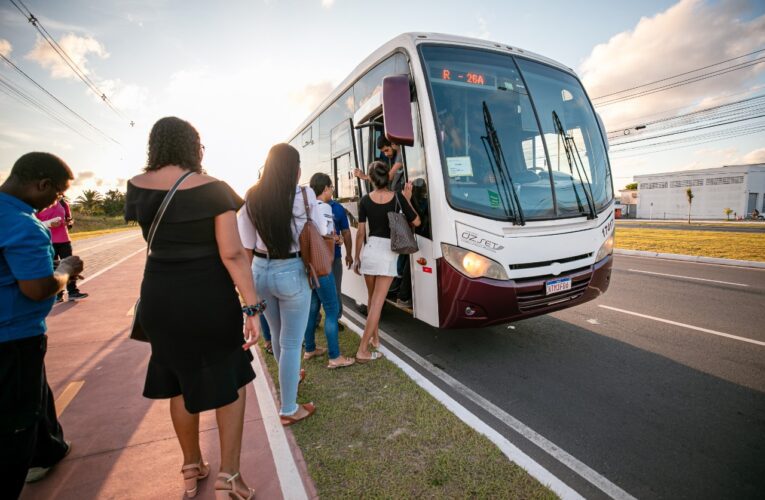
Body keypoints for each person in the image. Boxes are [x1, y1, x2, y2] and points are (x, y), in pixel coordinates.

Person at [125, 117, 260, 499]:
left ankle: (191, 466)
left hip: (159, 296)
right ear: (193, 146)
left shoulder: (136, 186)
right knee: (229, 379)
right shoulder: (214, 189)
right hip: (207, 298)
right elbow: (232, 253)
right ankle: (229, 476)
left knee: (177, 379)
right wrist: (253, 308)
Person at [0, 152, 84, 499]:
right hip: (13, 336)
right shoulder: (24, 224)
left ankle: (48, 448)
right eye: (58, 193)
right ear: (42, 184)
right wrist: (66, 269)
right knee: (16, 418)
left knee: (37, 391)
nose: (58, 201)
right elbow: (36, 288)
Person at [238, 143, 327, 425]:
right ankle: (288, 408)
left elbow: (246, 245)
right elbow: (322, 230)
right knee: (291, 343)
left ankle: (290, 377)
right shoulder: (304, 194)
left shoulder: (252, 196)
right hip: (291, 270)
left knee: (277, 334)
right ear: (295, 168)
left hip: (260, 271)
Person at [353, 161, 420, 362]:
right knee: (377, 305)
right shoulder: (398, 197)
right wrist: (406, 200)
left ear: (371, 179)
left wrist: (357, 257)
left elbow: (361, 233)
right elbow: (416, 221)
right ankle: (362, 350)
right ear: (385, 177)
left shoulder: (364, 200)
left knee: (372, 299)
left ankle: (375, 339)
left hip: (370, 250)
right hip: (388, 253)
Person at [302, 173, 355, 369]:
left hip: (308, 264)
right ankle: (335, 356)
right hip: (322, 263)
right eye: (331, 187)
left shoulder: (304, 207)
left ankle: (309, 348)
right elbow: (327, 234)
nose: (332, 191)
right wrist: (338, 240)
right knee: (332, 310)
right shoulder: (323, 207)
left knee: (313, 307)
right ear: (325, 188)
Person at [35, 198, 88, 302]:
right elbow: (34, 223)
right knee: (53, 268)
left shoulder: (63, 203)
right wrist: (49, 224)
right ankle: (58, 295)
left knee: (70, 265)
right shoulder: (39, 203)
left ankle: (73, 292)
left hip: (64, 239)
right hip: (48, 241)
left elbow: (69, 219)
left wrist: (69, 222)